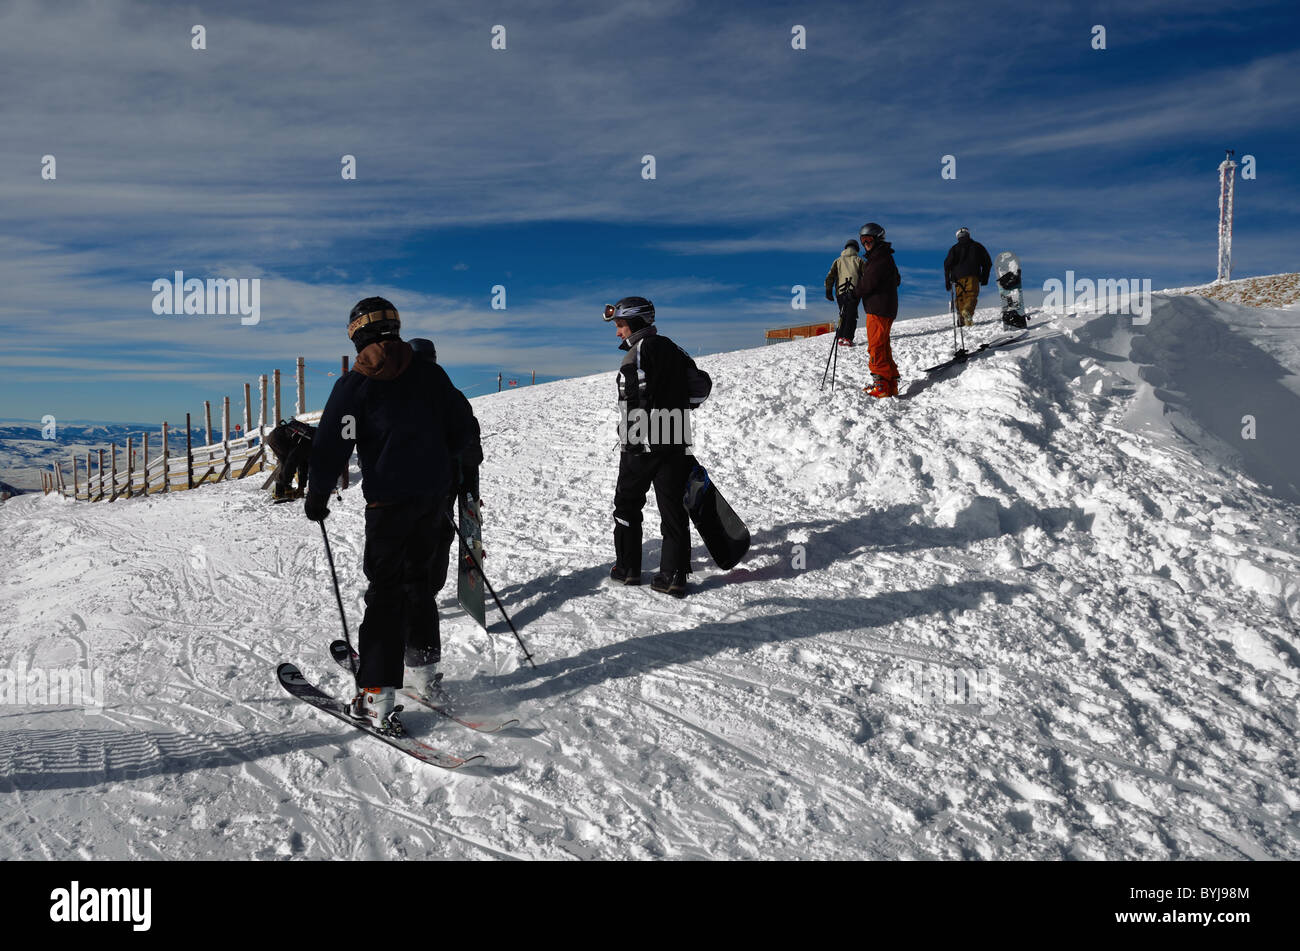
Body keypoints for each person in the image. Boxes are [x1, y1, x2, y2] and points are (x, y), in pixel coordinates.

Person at [303, 298, 479, 734]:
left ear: (356, 333)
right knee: (420, 585)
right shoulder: (432, 374)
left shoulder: (356, 382)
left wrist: (317, 493)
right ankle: (423, 673)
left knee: (386, 591)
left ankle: (376, 696)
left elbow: (331, 443)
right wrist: (460, 481)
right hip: (434, 498)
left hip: (388, 504)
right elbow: (463, 430)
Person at [604, 296, 711, 598]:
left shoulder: (636, 355)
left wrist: (632, 439)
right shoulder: (675, 349)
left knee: (627, 504)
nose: (618, 332)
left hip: (643, 443)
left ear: (635, 322)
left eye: (620, 325)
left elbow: (632, 397)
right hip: (675, 437)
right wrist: (677, 409)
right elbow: (701, 387)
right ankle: (674, 576)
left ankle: (627, 569)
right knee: (673, 507)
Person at [407, 336, 483, 672]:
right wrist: (467, 484)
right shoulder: (452, 394)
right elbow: (470, 441)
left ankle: (420, 596)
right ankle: (427, 592)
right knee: (440, 537)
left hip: (422, 487)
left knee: (423, 539)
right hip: (450, 482)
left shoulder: (408, 394)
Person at [857, 223, 902, 398]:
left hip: (878, 308)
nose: (865, 243)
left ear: (878, 239)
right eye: (863, 240)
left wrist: (852, 294)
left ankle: (881, 385)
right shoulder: (884, 257)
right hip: (885, 307)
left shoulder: (879, 259)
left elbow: (868, 284)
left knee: (876, 346)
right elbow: (896, 279)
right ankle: (890, 384)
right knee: (882, 345)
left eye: (868, 239)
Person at [943, 227, 993, 327]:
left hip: (957, 279)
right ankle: (967, 311)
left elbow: (947, 265)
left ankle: (962, 320)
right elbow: (987, 263)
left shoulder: (954, 249)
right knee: (971, 296)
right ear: (968, 235)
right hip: (972, 276)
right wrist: (984, 277)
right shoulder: (977, 246)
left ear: (957, 237)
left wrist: (947, 281)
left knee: (960, 298)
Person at [824, 239, 865, 346]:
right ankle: (847, 338)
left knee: (843, 313)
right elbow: (866, 276)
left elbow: (830, 276)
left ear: (845, 248)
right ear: (856, 248)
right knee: (852, 314)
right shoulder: (859, 260)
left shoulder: (838, 260)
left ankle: (840, 337)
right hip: (854, 291)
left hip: (840, 291)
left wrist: (828, 290)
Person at [264, 418, 316, 501]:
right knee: (288, 463)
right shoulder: (307, 443)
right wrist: (287, 485)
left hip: (286, 440)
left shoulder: (311, 442)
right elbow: (292, 462)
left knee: (291, 462)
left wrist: (301, 487)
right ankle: (280, 491)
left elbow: (304, 465)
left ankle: (285, 488)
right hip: (276, 438)